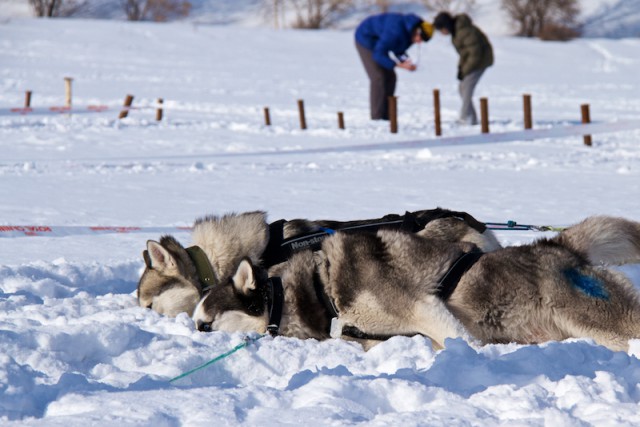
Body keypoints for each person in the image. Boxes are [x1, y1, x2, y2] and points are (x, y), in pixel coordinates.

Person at [355, 13, 433, 121]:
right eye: (422, 37)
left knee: (391, 77)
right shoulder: (396, 30)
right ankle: (377, 117)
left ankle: (387, 115)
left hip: (380, 43)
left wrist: (406, 61)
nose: (420, 42)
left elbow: (398, 48)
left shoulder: (409, 33)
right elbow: (378, 54)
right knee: (378, 77)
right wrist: (397, 64)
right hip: (366, 39)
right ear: (417, 31)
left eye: (424, 40)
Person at [433, 11, 493, 125]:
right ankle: (472, 118)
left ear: (446, 26)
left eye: (441, 29)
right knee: (462, 88)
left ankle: (465, 117)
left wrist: (465, 70)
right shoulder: (457, 32)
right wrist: (461, 69)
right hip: (474, 61)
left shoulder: (464, 31)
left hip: (481, 60)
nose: (442, 33)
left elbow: (475, 53)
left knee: (467, 88)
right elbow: (464, 54)